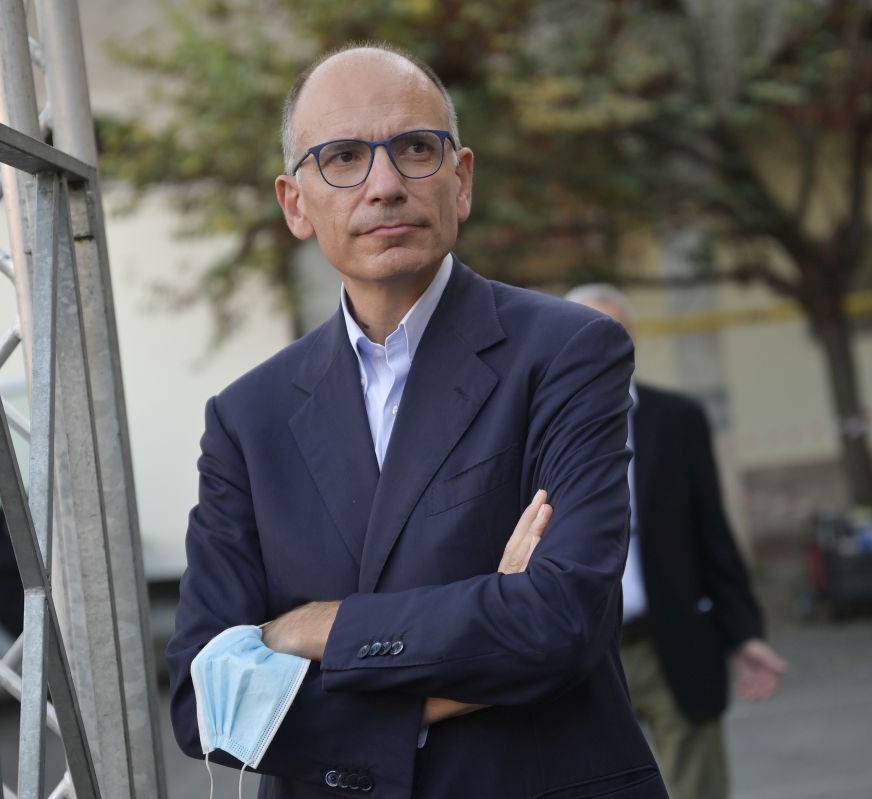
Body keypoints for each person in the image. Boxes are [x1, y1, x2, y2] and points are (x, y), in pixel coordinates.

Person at [166, 44, 668, 798]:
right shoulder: (248, 417)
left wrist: (304, 629)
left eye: (415, 149)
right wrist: (479, 634)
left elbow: (561, 619)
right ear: (295, 203)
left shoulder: (567, 352)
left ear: (460, 180)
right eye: (342, 157)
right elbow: (202, 699)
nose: (385, 185)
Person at [566, 284, 788, 799]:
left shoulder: (676, 419)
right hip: (586, 657)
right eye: (583, 336)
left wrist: (745, 633)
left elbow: (710, 531)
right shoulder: (537, 427)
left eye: (614, 334)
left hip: (673, 642)